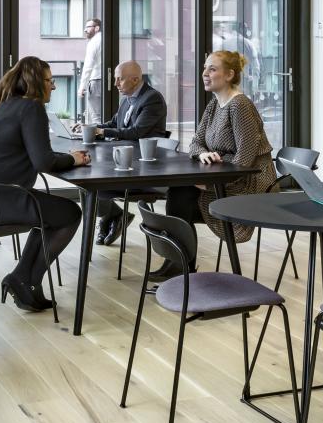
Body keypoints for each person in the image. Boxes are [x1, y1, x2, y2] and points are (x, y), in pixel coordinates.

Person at [0, 56, 89, 312]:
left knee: (50, 214)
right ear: (35, 82)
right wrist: (73, 159)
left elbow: (33, 154)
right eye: (49, 80)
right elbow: (43, 161)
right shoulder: (31, 108)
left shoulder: (3, 106)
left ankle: (23, 278)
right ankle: (26, 279)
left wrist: (64, 157)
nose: (53, 86)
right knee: (71, 213)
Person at [154, 50, 272, 281]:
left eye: (212, 69)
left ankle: (181, 267)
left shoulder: (240, 106)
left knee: (181, 198)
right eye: (205, 68)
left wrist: (210, 185)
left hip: (249, 184)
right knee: (180, 193)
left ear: (229, 75)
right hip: (222, 176)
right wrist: (204, 153)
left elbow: (244, 161)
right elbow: (195, 143)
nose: (205, 74)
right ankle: (180, 265)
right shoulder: (214, 105)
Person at [90, 60, 169, 247]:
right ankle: (115, 215)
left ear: (135, 80)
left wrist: (102, 132)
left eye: (120, 79)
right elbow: (114, 124)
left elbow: (136, 132)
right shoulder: (127, 98)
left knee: (92, 184)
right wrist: (92, 127)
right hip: (125, 162)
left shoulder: (152, 99)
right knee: (89, 185)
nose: (115, 84)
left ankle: (113, 216)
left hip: (144, 169)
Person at [78, 15, 105, 126]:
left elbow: (88, 66)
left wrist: (82, 87)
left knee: (96, 118)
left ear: (97, 28)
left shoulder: (94, 42)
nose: (85, 30)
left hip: (96, 82)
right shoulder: (107, 39)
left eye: (88, 27)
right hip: (107, 81)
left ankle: (99, 136)